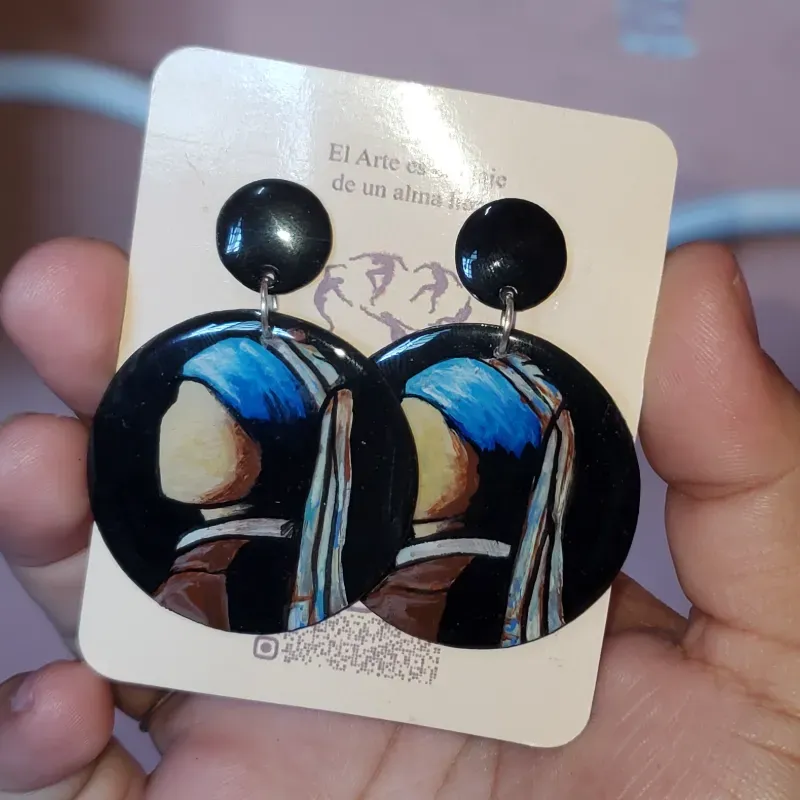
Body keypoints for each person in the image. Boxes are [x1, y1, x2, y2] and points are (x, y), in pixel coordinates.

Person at [0, 239, 798, 798]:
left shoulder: (400, 583)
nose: (171, 427)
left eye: (199, 408)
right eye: (177, 403)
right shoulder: (245, 569)